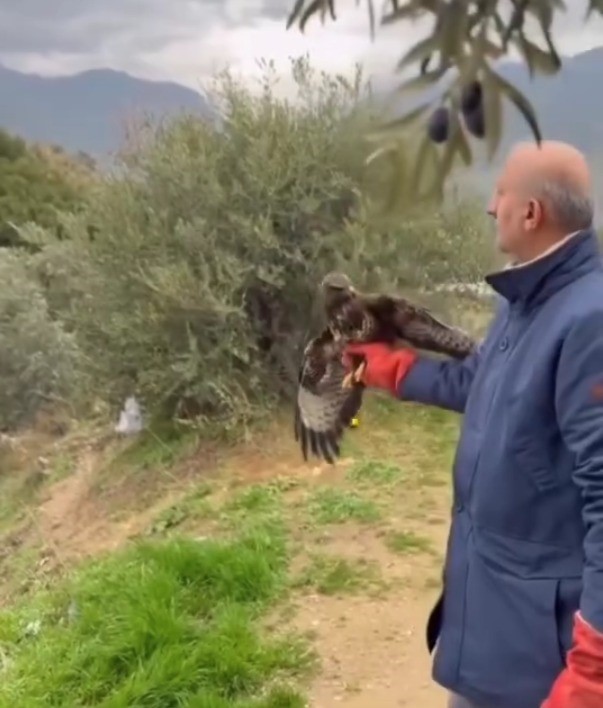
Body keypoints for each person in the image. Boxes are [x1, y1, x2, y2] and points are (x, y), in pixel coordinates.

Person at [343, 140, 603, 708]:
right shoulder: (525, 298)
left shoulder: (590, 319)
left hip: (544, 644)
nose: (491, 205)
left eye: (501, 192)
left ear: (531, 212)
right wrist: (393, 370)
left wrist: (595, 667)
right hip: (495, 608)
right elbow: (482, 383)